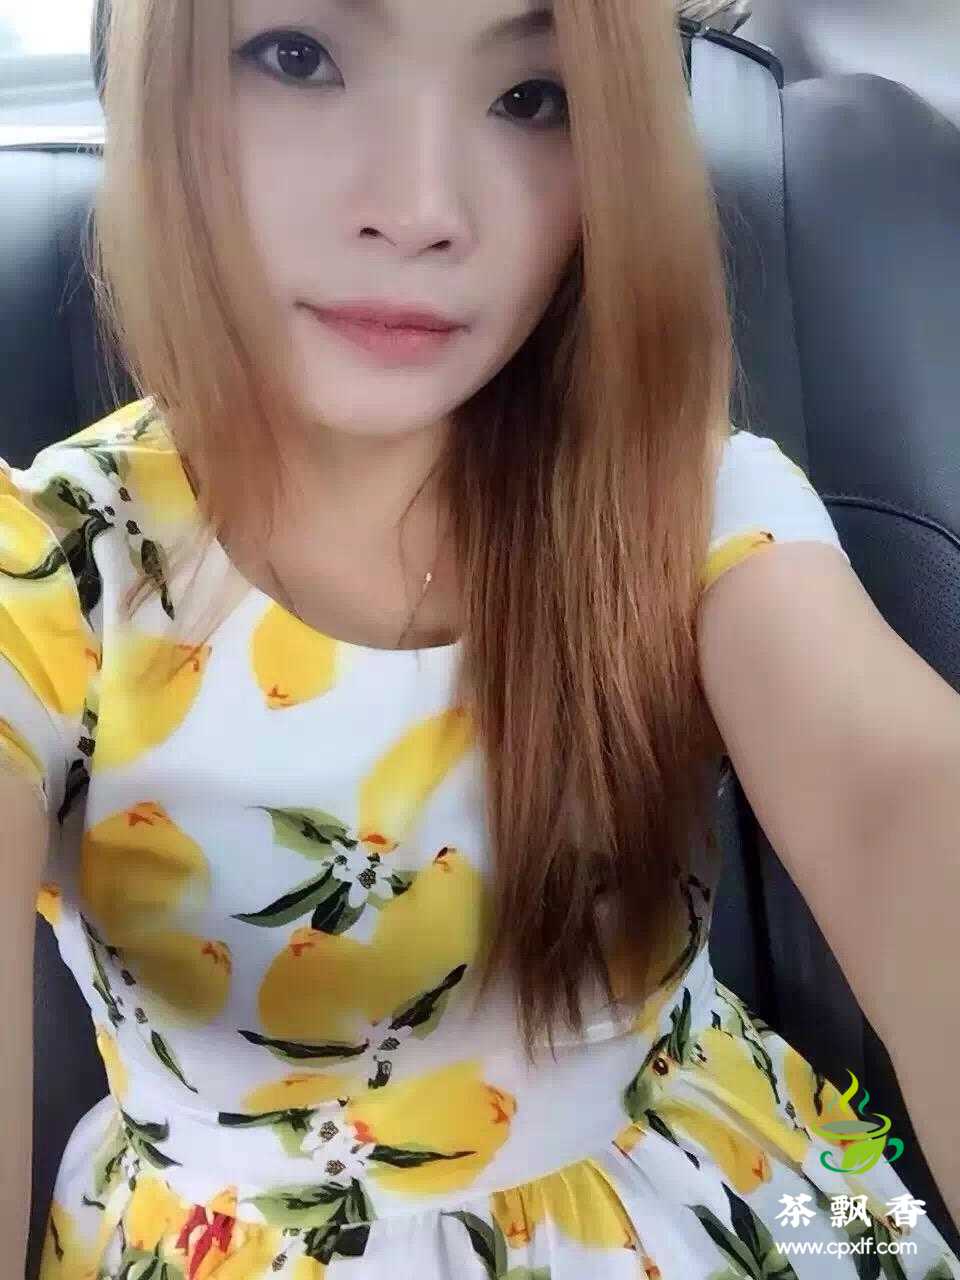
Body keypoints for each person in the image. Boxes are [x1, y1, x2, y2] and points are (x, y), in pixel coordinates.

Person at [3, 1, 959, 1277]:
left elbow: (900, 794)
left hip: (760, 1185)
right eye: (298, 57)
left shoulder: (677, 501)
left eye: (532, 98)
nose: (421, 208)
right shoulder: (55, 567)